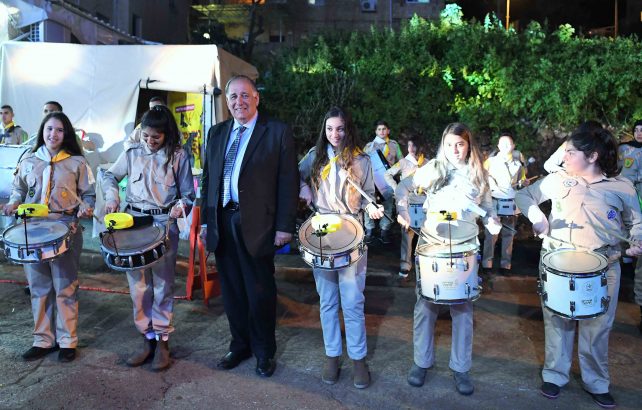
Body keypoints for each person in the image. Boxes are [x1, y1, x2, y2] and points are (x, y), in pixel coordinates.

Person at [515, 126, 642, 408]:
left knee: (598, 327)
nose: (564, 157)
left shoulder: (622, 186)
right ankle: (555, 375)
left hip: (604, 266)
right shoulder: (558, 180)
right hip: (558, 263)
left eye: (571, 152)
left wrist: (636, 241)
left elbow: (637, 223)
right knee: (557, 320)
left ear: (592, 156)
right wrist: (538, 217)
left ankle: (596, 382)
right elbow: (524, 196)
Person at [200, 75, 298, 378]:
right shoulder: (217, 133)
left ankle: (264, 351)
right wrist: (205, 221)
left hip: (259, 225)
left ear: (256, 98)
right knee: (231, 291)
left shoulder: (277, 132)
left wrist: (284, 226)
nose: (238, 102)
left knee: (260, 292)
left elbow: (288, 182)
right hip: (223, 220)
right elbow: (208, 180)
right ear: (227, 101)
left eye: (245, 95)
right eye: (233, 96)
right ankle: (239, 345)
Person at [397, 123, 500, 395]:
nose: (455, 150)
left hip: (465, 248)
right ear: (443, 145)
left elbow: (488, 208)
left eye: (460, 144)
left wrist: (492, 220)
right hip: (432, 245)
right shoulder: (432, 169)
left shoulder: (479, 174)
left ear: (468, 146)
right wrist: (402, 209)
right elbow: (403, 188)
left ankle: (461, 368)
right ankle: (421, 362)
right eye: (450, 144)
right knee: (425, 306)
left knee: (463, 309)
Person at [102, 105, 194, 371]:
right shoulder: (131, 153)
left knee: (163, 285)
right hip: (133, 224)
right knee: (139, 287)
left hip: (164, 225)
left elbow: (188, 195)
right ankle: (147, 339)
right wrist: (112, 197)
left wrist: (181, 207)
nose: (150, 141)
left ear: (167, 134)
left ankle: (163, 342)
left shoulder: (178, 156)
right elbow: (109, 175)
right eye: (145, 136)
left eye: (156, 137)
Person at [298, 106, 384, 388]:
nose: (335, 134)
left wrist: (372, 209)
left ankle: (358, 359)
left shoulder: (361, 159)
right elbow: (295, 176)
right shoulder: (314, 156)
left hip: (352, 231)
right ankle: (332, 355)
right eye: (330, 129)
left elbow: (369, 195)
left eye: (340, 129)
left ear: (348, 130)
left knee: (353, 300)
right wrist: (304, 188)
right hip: (322, 229)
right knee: (327, 300)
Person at [2, 112, 95, 362]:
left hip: (65, 228)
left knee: (65, 286)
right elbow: (18, 188)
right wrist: (13, 203)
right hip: (32, 230)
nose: (53, 134)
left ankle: (67, 341)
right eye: (49, 129)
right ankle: (43, 340)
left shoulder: (77, 162)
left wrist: (86, 207)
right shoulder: (29, 159)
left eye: (59, 130)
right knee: (39, 287)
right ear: (42, 131)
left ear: (67, 134)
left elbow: (88, 194)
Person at [481, 131, 528, 275]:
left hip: (511, 202)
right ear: (498, 146)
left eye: (509, 143)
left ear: (513, 146)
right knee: (491, 234)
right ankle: (487, 264)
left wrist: (523, 184)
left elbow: (520, 184)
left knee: (509, 234)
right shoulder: (490, 162)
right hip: (494, 201)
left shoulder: (518, 164)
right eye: (503, 143)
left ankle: (505, 265)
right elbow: (482, 178)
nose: (506, 146)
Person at [384, 136, 427, 280]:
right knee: (407, 235)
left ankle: (424, 263)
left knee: (426, 234)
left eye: (414, 146)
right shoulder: (403, 162)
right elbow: (387, 174)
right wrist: (397, 188)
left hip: (425, 203)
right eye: (409, 146)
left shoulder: (427, 163)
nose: (411, 149)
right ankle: (405, 264)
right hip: (408, 203)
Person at [617, 119, 642, 332]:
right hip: (627, 196)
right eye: (637, 130)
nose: (639, 133)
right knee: (625, 227)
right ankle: (626, 256)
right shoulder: (624, 149)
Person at [363, 120, 402, 244]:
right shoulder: (369, 147)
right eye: (379, 129)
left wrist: (397, 175)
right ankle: (369, 231)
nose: (382, 131)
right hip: (372, 182)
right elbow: (362, 163)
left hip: (388, 181)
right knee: (370, 204)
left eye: (384, 129)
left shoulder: (394, 146)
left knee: (388, 205)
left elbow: (401, 161)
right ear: (376, 131)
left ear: (388, 131)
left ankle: (384, 231)